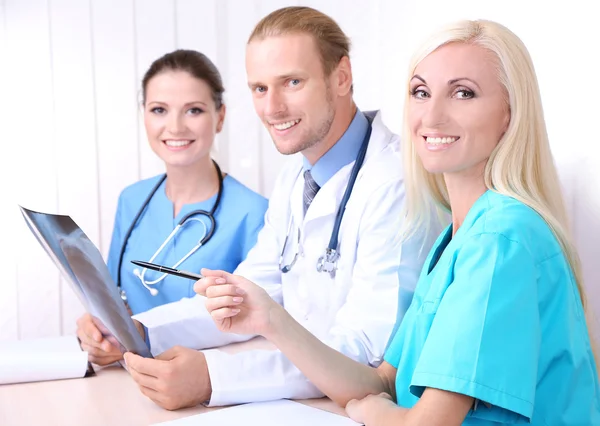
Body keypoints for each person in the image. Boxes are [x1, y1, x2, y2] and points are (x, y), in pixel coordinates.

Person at [198, 19, 600, 425]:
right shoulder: (457, 238)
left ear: (510, 113)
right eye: (421, 93)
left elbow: (418, 420)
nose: (433, 116)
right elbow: (381, 382)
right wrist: (271, 321)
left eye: (463, 93)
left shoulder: (500, 239)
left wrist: (375, 412)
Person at [121, 6, 438, 411]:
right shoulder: (294, 177)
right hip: (310, 402)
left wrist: (212, 378)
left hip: (360, 408)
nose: (272, 108)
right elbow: (245, 295)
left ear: (341, 77)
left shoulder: (396, 183)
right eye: (259, 88)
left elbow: (366, 354)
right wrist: (141, 332)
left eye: (291, 82)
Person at [76, 49, 268, 366]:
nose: (175, 127)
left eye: (193, 110)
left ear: (220, 117)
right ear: (144, 115)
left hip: (206, 385)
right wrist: (95, 327)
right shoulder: (132, 200)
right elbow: (111, 300)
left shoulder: (255, 214)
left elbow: (256, 324)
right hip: (128, 374)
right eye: (159, 110)